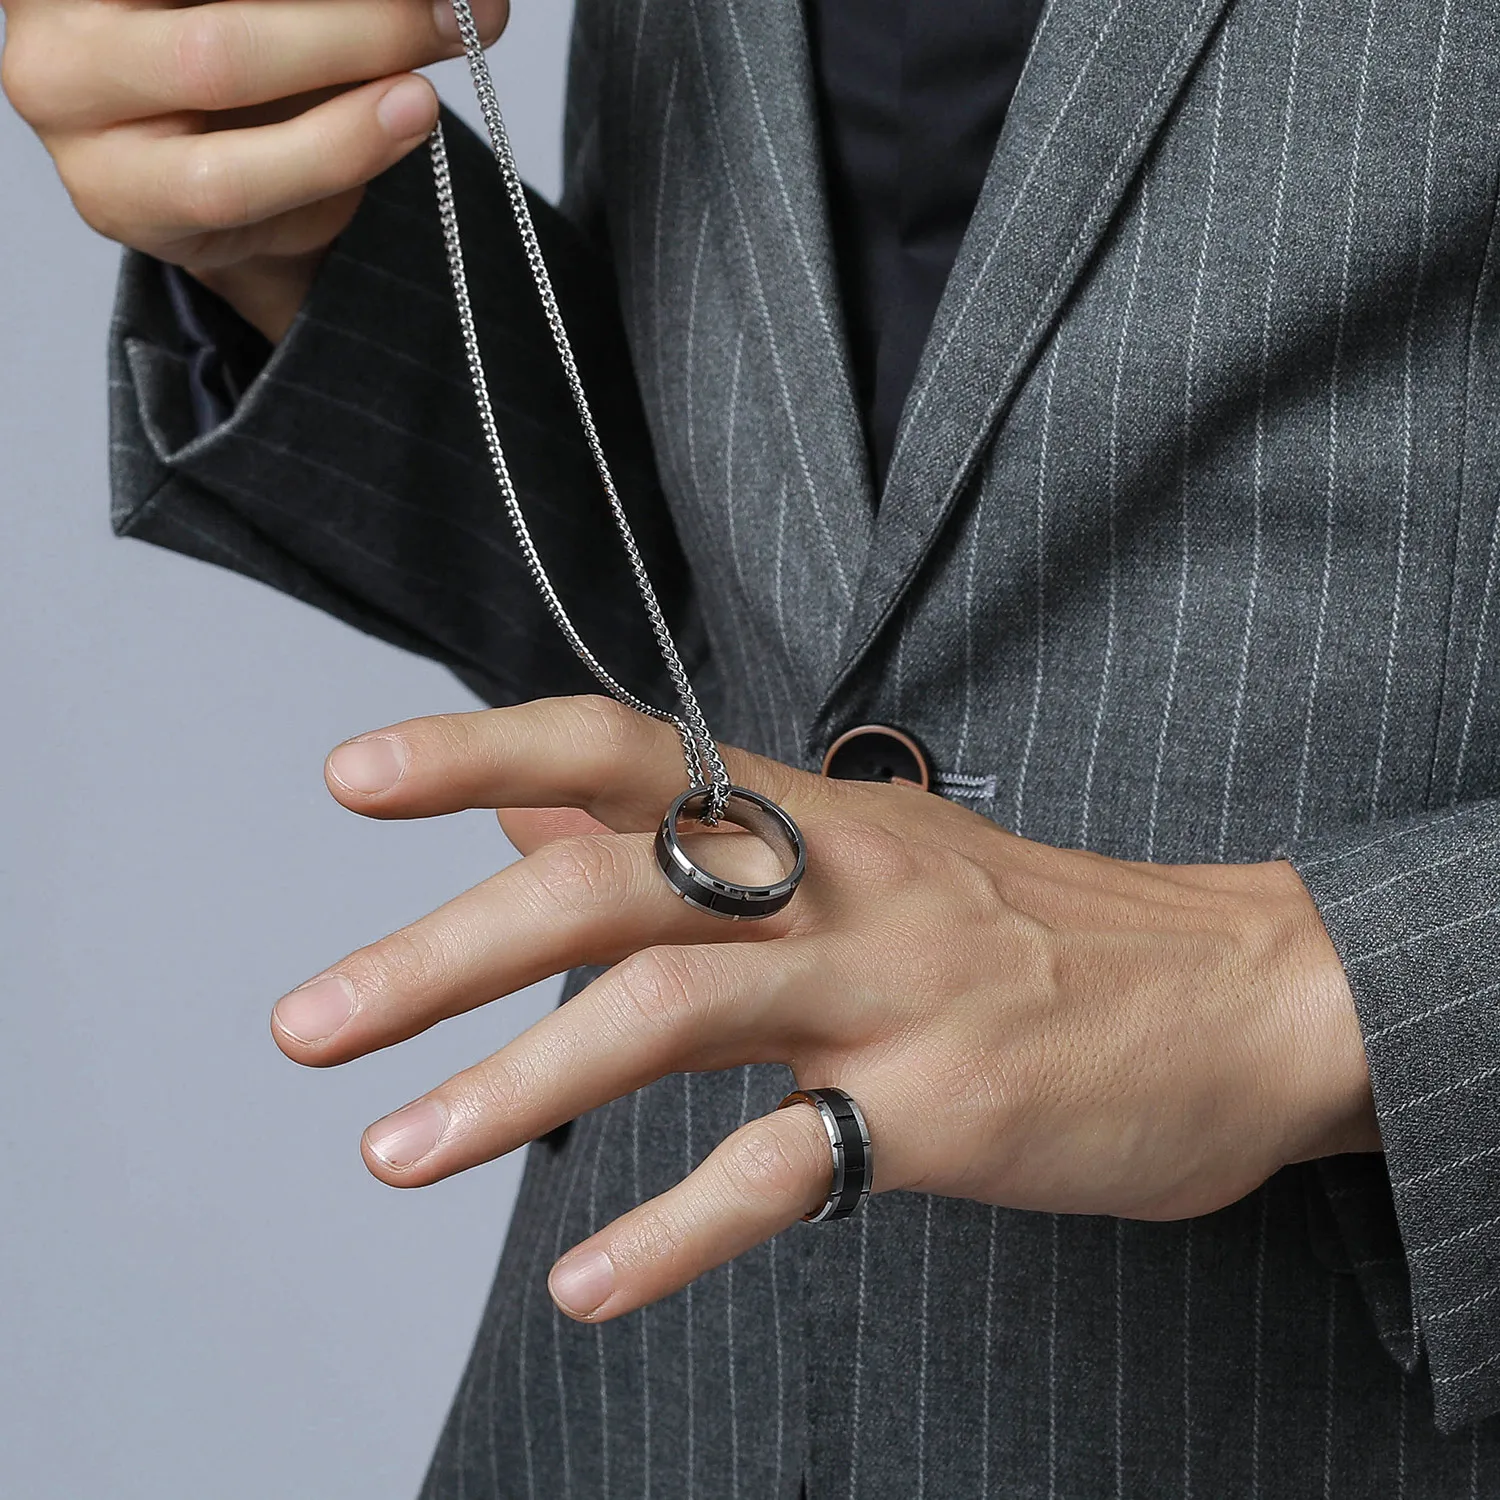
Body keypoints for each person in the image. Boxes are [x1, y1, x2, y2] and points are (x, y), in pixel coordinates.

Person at [6, 0, 1500, 1493]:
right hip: (642, 1398)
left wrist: (1309, 990)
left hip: (1341, 1408)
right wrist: (294, 223)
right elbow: (708, 610)